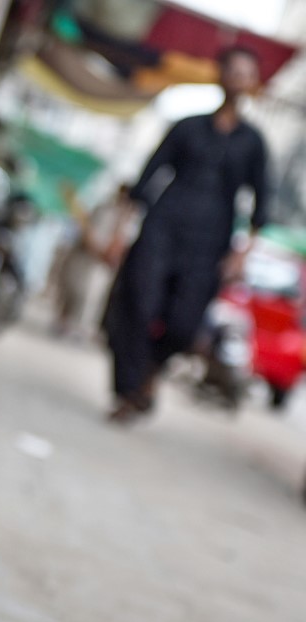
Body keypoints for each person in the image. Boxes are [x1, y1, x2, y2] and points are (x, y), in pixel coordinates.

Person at [103, 46, 270, 422]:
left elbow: (261, 204)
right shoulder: (187, 126)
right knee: (138, 303)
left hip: (210, 242)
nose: (238, 78)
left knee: (184, 324)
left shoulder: (253, 142)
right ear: (220, 74)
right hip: (163, 226)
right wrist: (118, 234)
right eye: (233, 70)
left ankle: (151, 369)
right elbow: (147, 179)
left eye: (246, 73)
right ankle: (129, 390)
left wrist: (242, 254)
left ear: (254, 83)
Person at [54, 183, 136, 339]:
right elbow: (88, 231)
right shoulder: (104, 210)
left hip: (101, 264)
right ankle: (65, 322)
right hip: (85, 257)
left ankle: (78, 326)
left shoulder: (129, 219)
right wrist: (95, 247)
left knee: (91, 296)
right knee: (73, 289)